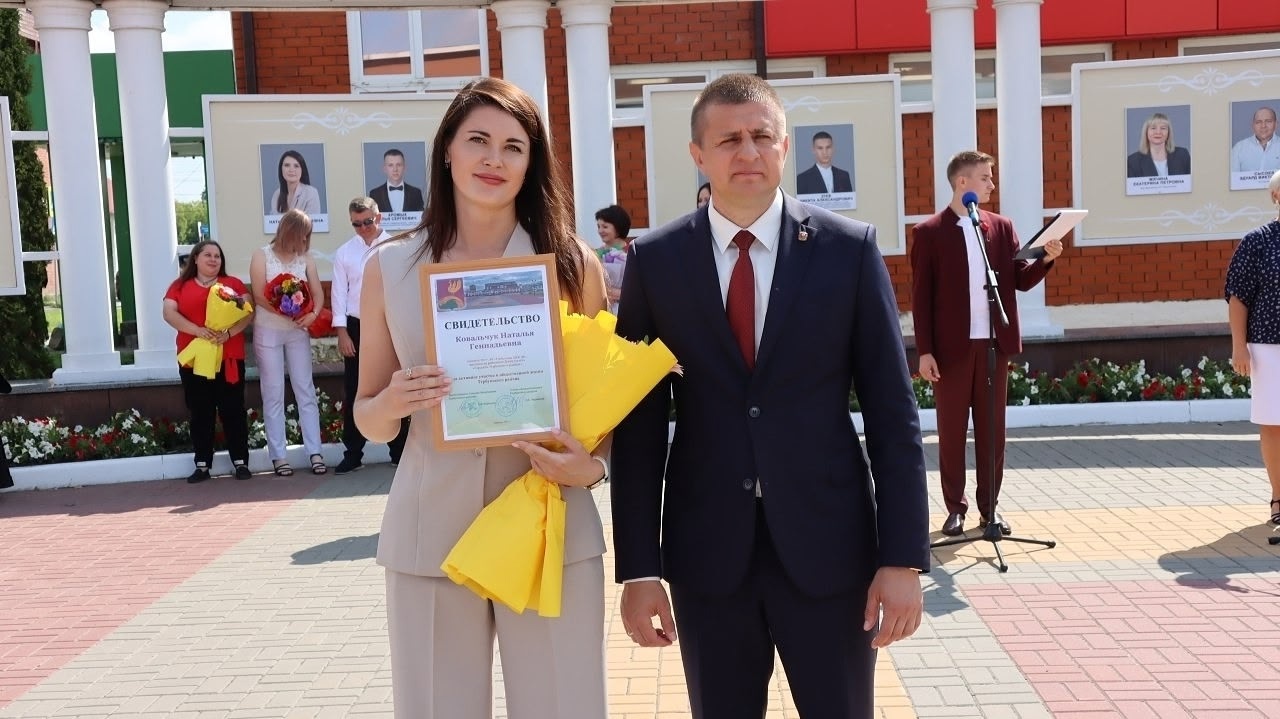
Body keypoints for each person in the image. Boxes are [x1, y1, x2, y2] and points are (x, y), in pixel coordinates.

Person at [611, 72, 928, 719]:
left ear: (785, 147)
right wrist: (640, 568)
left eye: (761, 136)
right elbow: (638, 429)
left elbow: (893, 415)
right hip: (707, 557)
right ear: (698, 154)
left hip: (830, 552)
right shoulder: (657, 260)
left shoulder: (848, 251)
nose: (747, 152)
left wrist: (902, 557)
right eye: (728, 139)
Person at [352, 77, 611, 718]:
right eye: (478, 141)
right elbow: (368, 419)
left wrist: (591, 467)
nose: (494, 159)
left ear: (531, 162)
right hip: (431, 535)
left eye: (513, 147)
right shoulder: (390, 268)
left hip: (547, 526)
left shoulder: (572, 265)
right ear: (447, 151)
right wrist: (393, 402)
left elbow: (600, 404)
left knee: (564, 708)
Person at [911, 151, 1064, 537]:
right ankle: (955, 508)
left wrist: (1046, 260)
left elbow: (1020, 279)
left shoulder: (1000, 226)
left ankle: (989, 509)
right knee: (951, 433)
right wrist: (925, 351)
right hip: (950, 351)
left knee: (993, 433)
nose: (992, 185)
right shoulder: (929, 232)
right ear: (962, 183)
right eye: (985, 178)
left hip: (995, 346)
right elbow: (921, 298)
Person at [163, 240, 255, 484]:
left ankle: (240, 462)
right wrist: (197, 331)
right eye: (208, 255)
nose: (214, 259)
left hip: (228, 357)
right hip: (195, 359)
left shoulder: (232, 284)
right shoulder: (179, 285)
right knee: (200, 411)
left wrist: (229, 334)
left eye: (217, 256)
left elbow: (248, 312)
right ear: (195, 258)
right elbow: (169, 312)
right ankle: (202, 464)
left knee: (233, 410)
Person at [332, 197, 408, 475]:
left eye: (367, 221)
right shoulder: (344, 253)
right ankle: (353, 453)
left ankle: (400, 451)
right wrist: (342, 332)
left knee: (396, 383)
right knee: (355, 389)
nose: (363, 228)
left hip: (390, 322)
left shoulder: (397, 247)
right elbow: (338, 294)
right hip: (357, 325)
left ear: (379, 217)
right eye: (357, 224)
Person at [250, 208, 327, 477]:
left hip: (297, 332)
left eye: (307, 235)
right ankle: (279, 456)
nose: (304, 240)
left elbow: (317, 294)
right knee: (273, 392)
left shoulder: (306, 258)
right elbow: (258, 295)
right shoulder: (261, 255)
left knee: (305, 389)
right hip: (268, 330)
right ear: (289, 230)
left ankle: (315, 452)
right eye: (301, 234)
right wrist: (286, 310)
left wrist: (312, 314)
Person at [1225, 169, 1280, 525]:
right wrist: (1239, 347)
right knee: (1274, 424)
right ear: (1276, 197)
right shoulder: (1257, 242)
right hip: (1269, 348)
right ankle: (1279, 499)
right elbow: (1238, 297)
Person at [1126, 113, 1191, 178]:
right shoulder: (1133, 161)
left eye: (1163, 128)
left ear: (1169, 132)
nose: (1158, 132)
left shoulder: (1182, 155)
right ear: (1146, 132)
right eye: (1153, 128)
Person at [595, 203, 631, 313]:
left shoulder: (631, 253)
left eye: (605, 227)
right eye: (598, 227)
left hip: (624, 311)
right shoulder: (594, 254)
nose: (600, 231)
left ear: (618, 227)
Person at [369, 148, 426, 214]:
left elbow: (420, 217)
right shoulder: (375, 194)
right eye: (390, 165)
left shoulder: (416, 193)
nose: (395, 169)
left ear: (404, 167)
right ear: (384, 168)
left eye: (398, 165)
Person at [795, 130, 853, 195]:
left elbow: (850, 200)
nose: (824, 152)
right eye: (820, 148)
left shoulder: (844, 176)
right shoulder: (802, 179)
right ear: (813, 150)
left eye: (828, 147)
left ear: (833, 149)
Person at [268, 150, 323, 215]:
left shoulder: (311, 193)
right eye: (287, 165)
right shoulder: (277, 194)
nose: (291, 170)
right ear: (281, 169)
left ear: (302, 170)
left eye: (296, 166)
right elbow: (272, 220)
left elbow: (312, 220)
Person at [1230, 107, 1280, 174]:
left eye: (1268, 121)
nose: (1263, 126)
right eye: (1258, 122)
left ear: (1276, 124)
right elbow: (1232, 178)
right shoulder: (1239, 148)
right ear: (1253, 125)